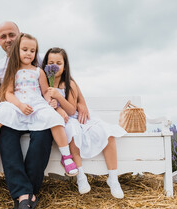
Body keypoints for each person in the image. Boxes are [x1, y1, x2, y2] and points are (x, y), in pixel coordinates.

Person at [0, 33, 78, 209]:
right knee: (6, 135)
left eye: (12, 34)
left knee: (43, 134)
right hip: (14, 109)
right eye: (4, 36)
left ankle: (22, 198)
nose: (8, 39)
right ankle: (27, 196)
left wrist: (61, 104)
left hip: (36, 109)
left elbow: (57, 87)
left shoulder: (39, 65)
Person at [42, 47, 127, 198]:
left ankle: (113, 179)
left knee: (107, 134)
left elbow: (70, 110)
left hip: (75, 116)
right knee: (73, 133)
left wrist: (59, 98)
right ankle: (81, 176)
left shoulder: (69, 84)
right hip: (64, 123)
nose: (55, 66)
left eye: (59, 63)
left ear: (65, 65)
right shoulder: (44, 84)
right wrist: (55, 109)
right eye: (51, 63)